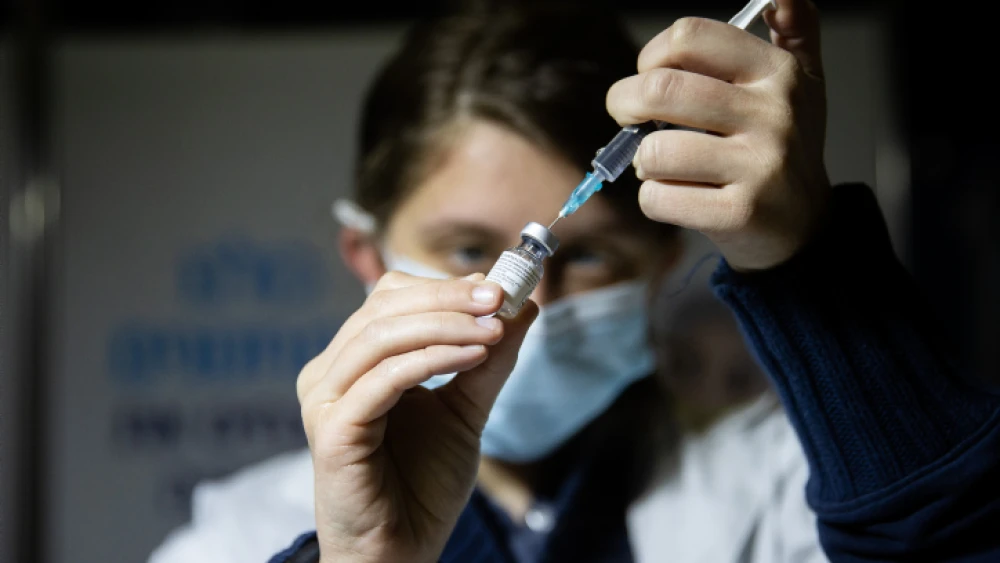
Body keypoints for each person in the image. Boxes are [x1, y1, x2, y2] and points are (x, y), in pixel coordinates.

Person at [149, 2, 828, 562]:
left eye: (589, 257)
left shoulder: (786, 492)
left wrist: (813, 252)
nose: (530, 302)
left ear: (661, 265)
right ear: (368, 255)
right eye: (469, 246)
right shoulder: (234, 538)